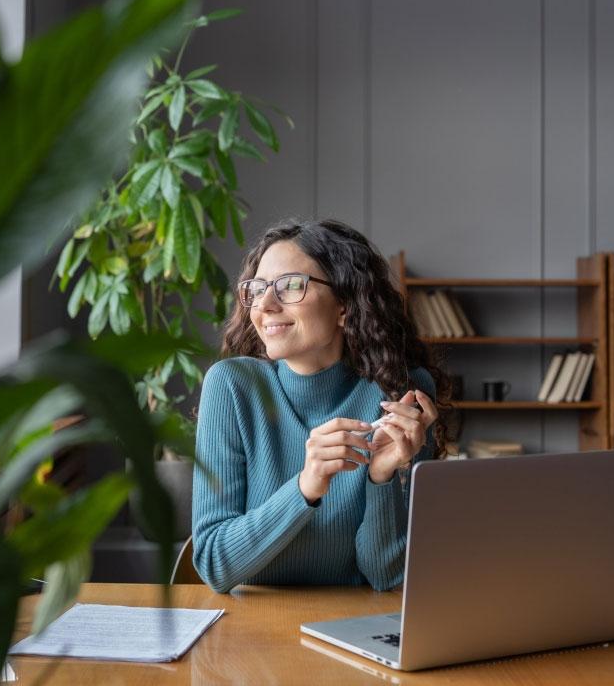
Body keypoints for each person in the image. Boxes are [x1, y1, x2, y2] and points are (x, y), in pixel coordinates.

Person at [191, 218, 454, 593]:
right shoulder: (231, 387)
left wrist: (381, 478)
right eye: (257, 288)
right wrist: (305, 486)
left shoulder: (402, 392)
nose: (265, 304)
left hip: (353, 626)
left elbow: (388, 575)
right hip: (251, 628)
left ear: (344, 305)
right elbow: (215, 564)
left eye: (290, 286)